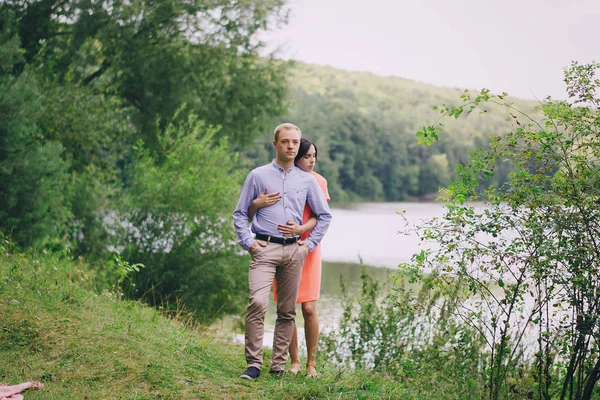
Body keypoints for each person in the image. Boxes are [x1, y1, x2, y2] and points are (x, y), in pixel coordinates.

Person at [233, 123, 332, 380]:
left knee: (287, 312)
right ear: (275, 144)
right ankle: (253, 365)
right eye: (285, 141)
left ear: (298, 145)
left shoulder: (308, 180)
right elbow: (240, 214)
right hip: (264, 248)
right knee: (256, 303)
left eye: (295, 142)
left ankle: (277, 367)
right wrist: (249, 242)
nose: (290, 146)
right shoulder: (258, 175)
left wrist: (308, 245)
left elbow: (324, 216)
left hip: (294, 252)